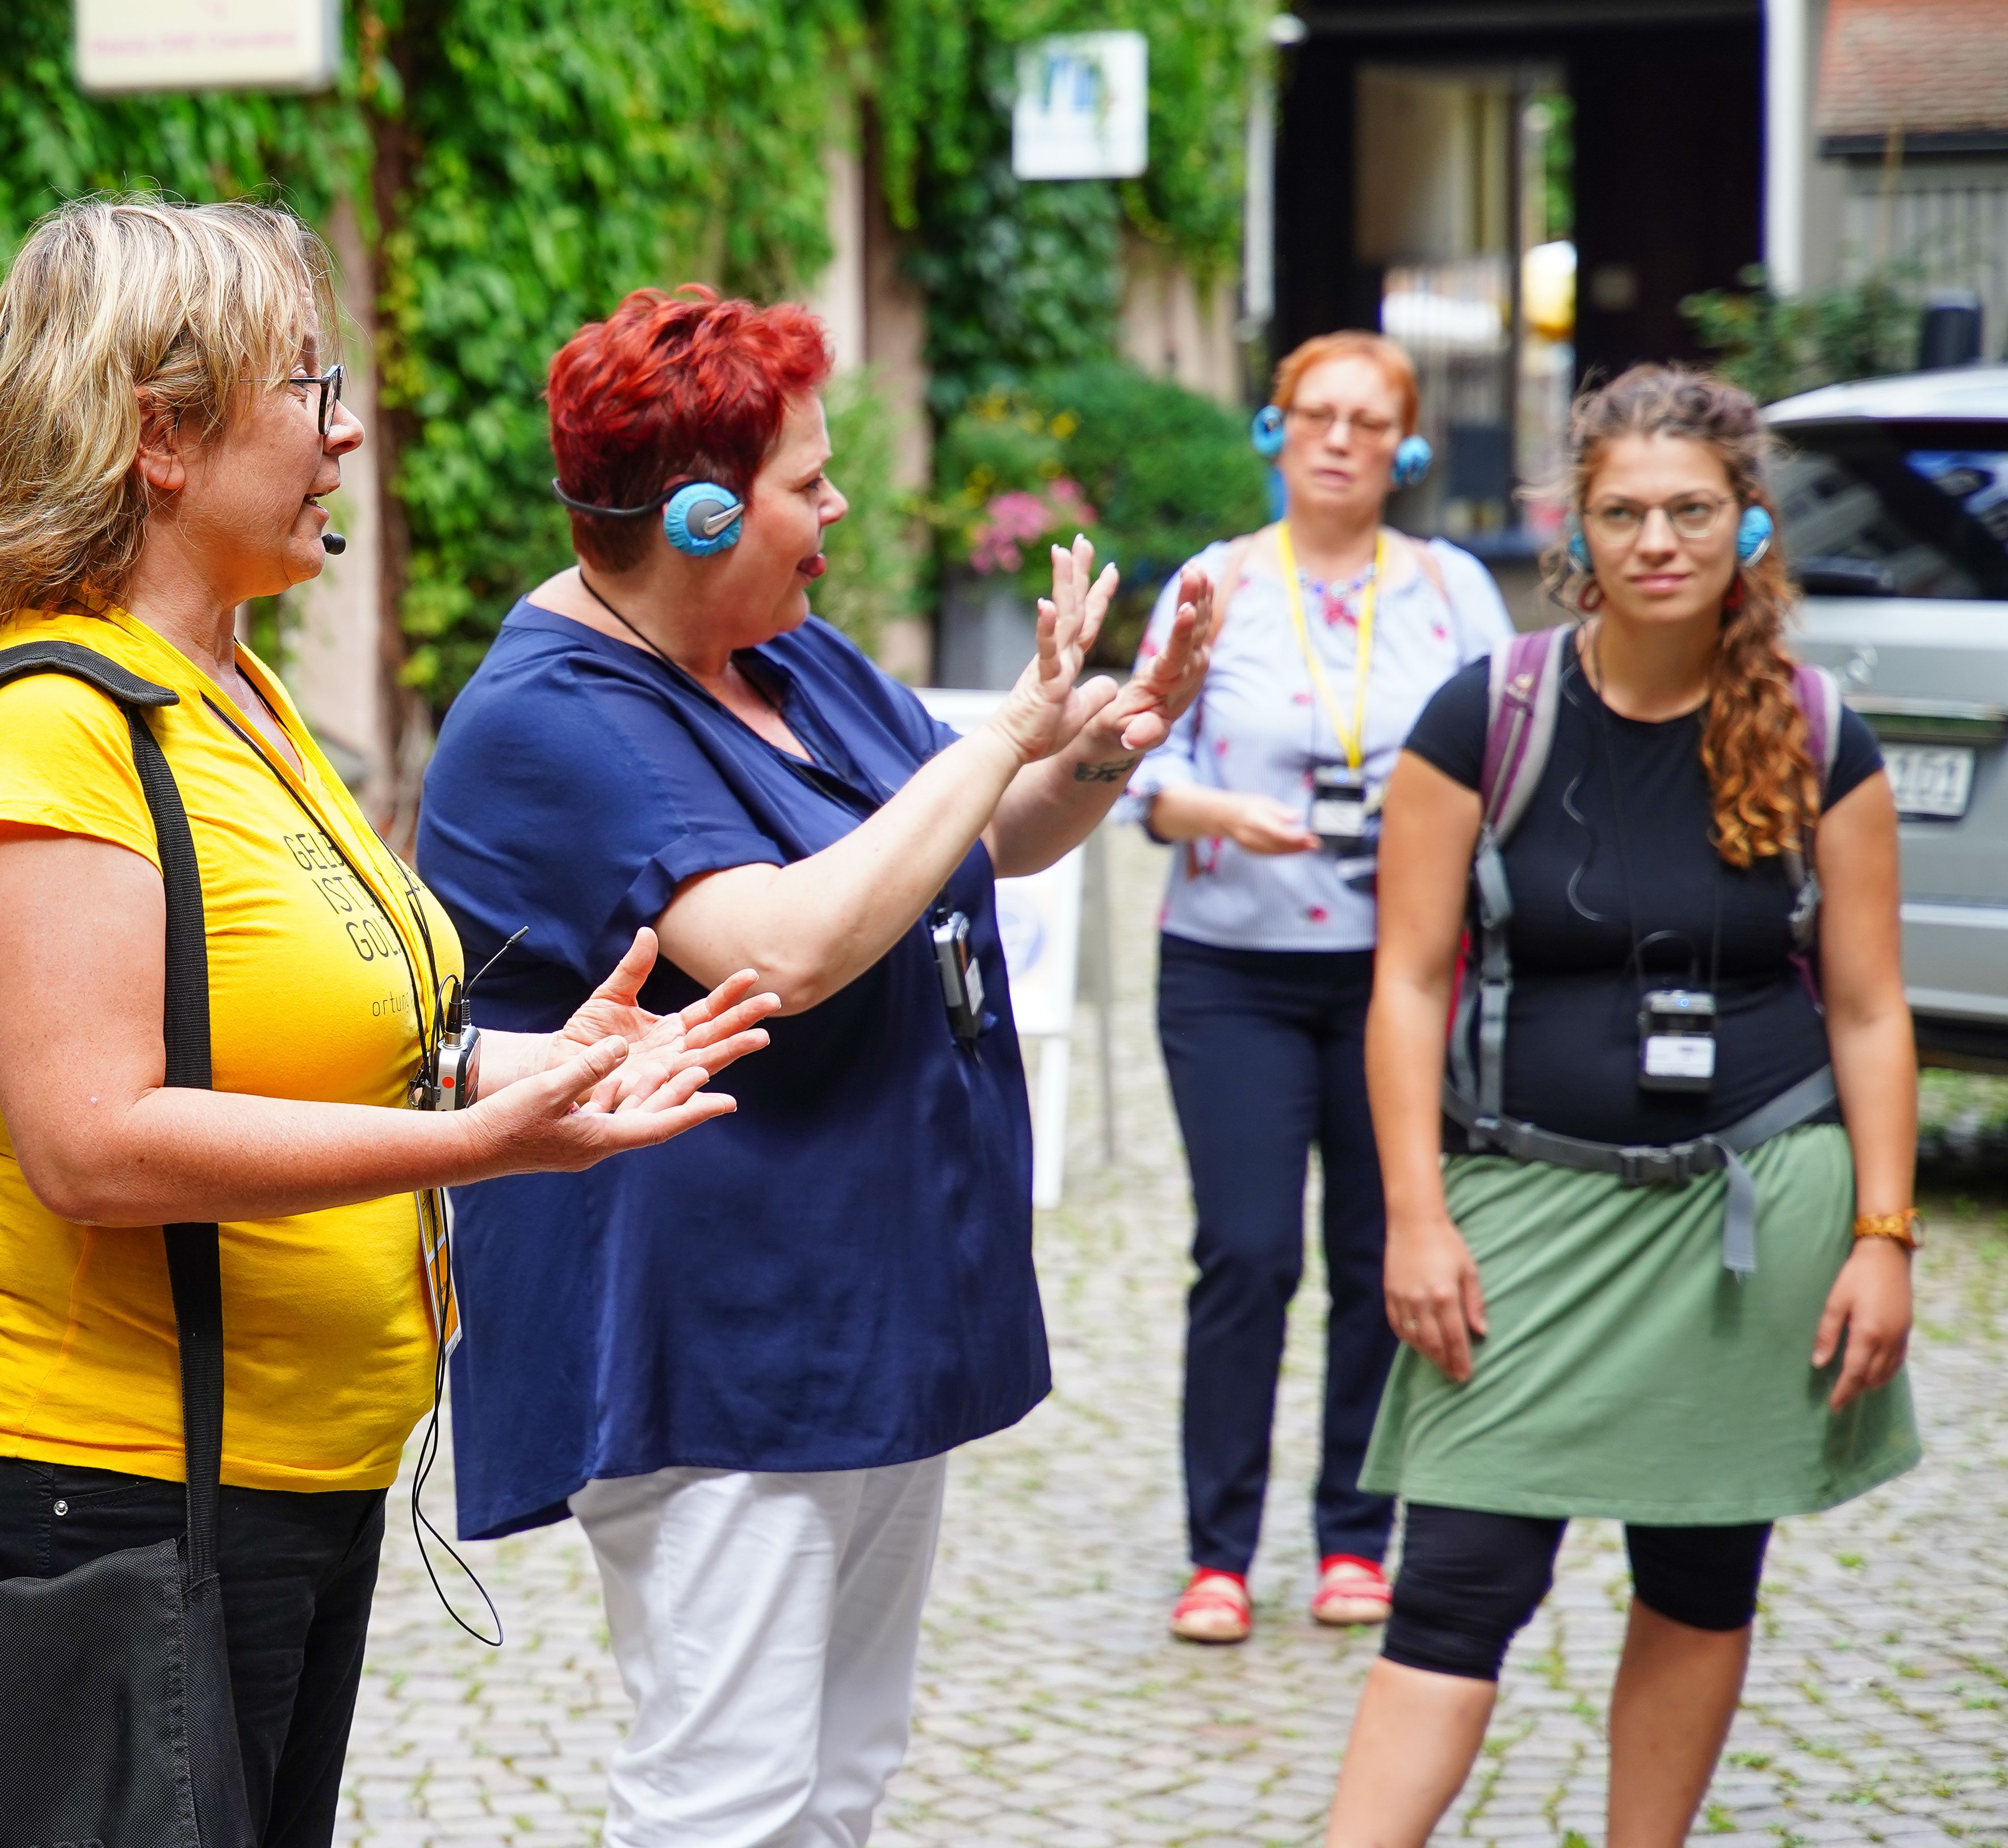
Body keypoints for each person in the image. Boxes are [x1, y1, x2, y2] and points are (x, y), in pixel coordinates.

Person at [0, 199, 778, 1846]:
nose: (347, 430)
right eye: (309, 388)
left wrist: (537, 1066)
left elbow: (311, 1041)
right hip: (103, 1501)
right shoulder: (53, 733)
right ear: (161, 436)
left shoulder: (236, 695)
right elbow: (94, 1144)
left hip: (282, 1493)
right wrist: (466, 1145)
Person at [415, 286, 1218, 1847]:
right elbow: (782, 948)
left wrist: (1110, 738)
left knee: (841, 1775)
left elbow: (976, 843)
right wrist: (1007, 735)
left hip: (863, 1308)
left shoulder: (785, 656)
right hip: (714, 1342)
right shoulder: (548, 718)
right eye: (809, 482)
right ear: (703, 513)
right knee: (726, 1791)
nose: (837, 508)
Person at [1328, 364, 1921, 1848]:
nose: (1658, 540)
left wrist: (1883, 1235)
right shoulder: (1485, 718)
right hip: (1523, 1202)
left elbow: (1867, 1007)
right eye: (1622, 513)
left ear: (1750, 527)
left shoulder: (1816, 731)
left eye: (1692, 510)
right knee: (1456, 1577)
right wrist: (1413, 1216)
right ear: (1575, 535)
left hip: (1749, 1216)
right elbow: (1403, 987)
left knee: (1701, 1579)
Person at [1120, 332, 1515, 1645]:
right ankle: (1216, 1553)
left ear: (1403, 449)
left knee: (1374, 1251)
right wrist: (1213, 805)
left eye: (1365, 420)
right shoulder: (1214, 582)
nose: (1336, 439)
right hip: (1228, 969)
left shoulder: (1452, 590)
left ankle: (1355, 1536)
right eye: (1313, 415)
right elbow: (1130, 769)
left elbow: (1508, 752)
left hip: (1398, 971)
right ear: (1271, 432)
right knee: (1243, 1251)